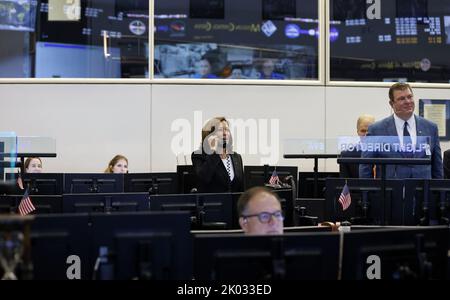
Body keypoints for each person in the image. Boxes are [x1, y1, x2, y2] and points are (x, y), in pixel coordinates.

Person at [359, 82, 443, 179]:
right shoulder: (376, 130)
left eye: (410, 97)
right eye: (401, 99)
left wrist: (438, 192)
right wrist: (369, 193)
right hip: (389, 192)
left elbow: (437, 166)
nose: (407, 101)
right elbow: (365, 166)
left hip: (423, 191)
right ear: (391, 103)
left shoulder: (431, 128)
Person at [191, 117, 244, 193]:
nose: (225, 133)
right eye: (220, 130)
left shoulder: (237, 157)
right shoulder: (198, 156)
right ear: (209, 135)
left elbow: (241, 188)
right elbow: (204, 179)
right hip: (212, 203)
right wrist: (213, 152)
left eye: (227, 130)